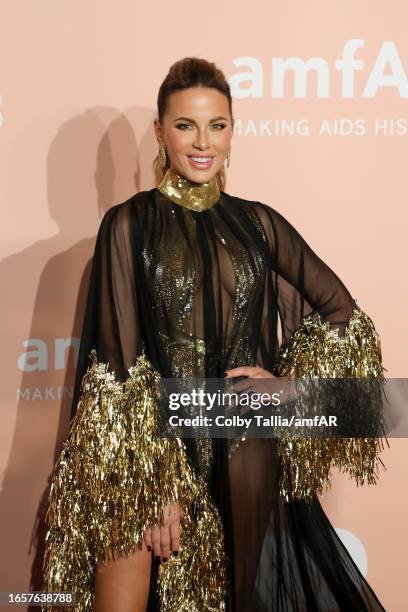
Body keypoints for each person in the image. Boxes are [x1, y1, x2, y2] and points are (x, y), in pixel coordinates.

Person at [42, 57, 387, 612]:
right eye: (185, 125)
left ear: (231, 130)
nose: (203, 142)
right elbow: (119, 369)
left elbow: (344, 316)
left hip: (243, 449)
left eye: (217, 125)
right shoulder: (128, 225)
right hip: (151, 451)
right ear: (160, 131)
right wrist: (154, 483)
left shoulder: (258, 224)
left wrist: (289, 387)